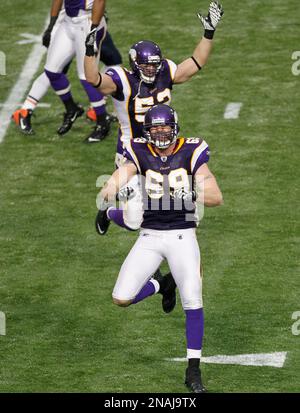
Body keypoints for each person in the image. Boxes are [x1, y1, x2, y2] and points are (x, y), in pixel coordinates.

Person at [98, 104, 223, 393]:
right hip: (150, 236)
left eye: (165, 127)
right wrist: (111, 186)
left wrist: (192, 192)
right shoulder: (140, 151)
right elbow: (124, 171)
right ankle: (160, 284)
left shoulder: (191, 151)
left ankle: (193, 370)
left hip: (182, 234)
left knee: (193, 301)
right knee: (121, 298)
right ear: (148, 131)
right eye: (155, 128)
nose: (161, 133)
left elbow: (216, 196)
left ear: (174, 127)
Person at [85, 1, 224, 230]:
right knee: (135, 220)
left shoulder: (165, 72)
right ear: (134, 63)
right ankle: (110, 213)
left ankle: (166, 258)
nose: (151, 69)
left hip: (165, 149)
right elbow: (93, 80)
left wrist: (208, 33)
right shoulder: (122, 80)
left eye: (154, 65)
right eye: (146, 65)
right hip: (133, 152)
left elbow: (195, 64)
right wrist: (90, 52)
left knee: (173, 208)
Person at [11, 25, 122, 135]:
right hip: (73, 26)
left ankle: (94, 110)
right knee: (57, 71)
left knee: (113, 60)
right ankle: (95, 114)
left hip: (83, 24)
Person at [42, 0, 113, 142]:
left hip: (88, 21)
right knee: (52, 70)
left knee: (87, 77)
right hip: (68, 22)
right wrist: (51, 25)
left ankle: (102, 122)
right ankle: (72, 109)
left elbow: (99, 1)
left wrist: (93, 29)